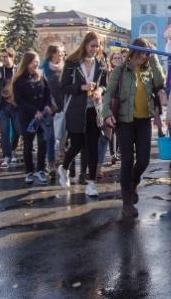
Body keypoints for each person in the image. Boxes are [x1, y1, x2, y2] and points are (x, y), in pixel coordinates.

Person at [102, 38, 165, 216]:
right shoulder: (120, 71)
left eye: (147, 54)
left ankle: (133, 181)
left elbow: (160, 83)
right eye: (141, 52)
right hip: (124, 121)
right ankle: (127, 201)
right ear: (133, 51)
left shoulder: (149, 71)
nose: (144, 56)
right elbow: (108, 95)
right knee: (127, 160)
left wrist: (154, 59)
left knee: (144, 160)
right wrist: (106, 113)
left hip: (144, 120)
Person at [58, 32, 107, 196]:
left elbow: (104, 84)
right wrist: (81, 88)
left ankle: (91, 183)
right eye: (92, 45)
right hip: (76, 110)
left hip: (94, 109)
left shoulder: (100, 62)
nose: (95, 49)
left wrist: (99, 90)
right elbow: (64, 87)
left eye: (97, 45)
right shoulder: (72, 63)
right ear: (85, 44)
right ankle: (64, 168)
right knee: (77, 145)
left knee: (93, 146)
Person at [12, 51, 52, 185]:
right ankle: (29, 171)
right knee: (28, 145)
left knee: (43, 143)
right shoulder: (19, 80)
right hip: (28, 117)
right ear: (28, 62)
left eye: (38, 61)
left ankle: (41, 170)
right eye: (35, 61)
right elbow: (19, 100)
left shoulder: (41, 75)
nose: (37, 63)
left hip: (42, 116)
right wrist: (34, 111)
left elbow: (47, 92)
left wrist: (47, 106)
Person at [0, 48, 20, 167]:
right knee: (5, 131)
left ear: (12, 57)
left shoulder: (18, 70)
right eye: (2, 57)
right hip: (3, 106)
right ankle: (6, 156)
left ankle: (13, 149)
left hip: (15, 106)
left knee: (17, 130)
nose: (3, 59)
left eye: (6, 56)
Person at [41, 44, 65, 177]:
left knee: (63, 137)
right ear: (52, 54)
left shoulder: (66, 68)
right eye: (60, 52)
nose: (62, 54)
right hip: (49, 108)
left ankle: (62, 158)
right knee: (50, 137)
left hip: (64, 107)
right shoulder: (44, 69)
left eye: (63, 52)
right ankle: (50, 163)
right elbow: (42, 89)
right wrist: (47, 105)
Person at [98, 52, 123, 167]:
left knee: (118, 131)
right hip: (110, 104)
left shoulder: (125, 72)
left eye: (120, 58)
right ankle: (112, 154)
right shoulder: (107, 73)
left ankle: (117, 151)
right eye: (115, 58)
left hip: (121, 104)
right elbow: (105, 88)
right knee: (110, 131)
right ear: (111, 60)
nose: (118, 60)